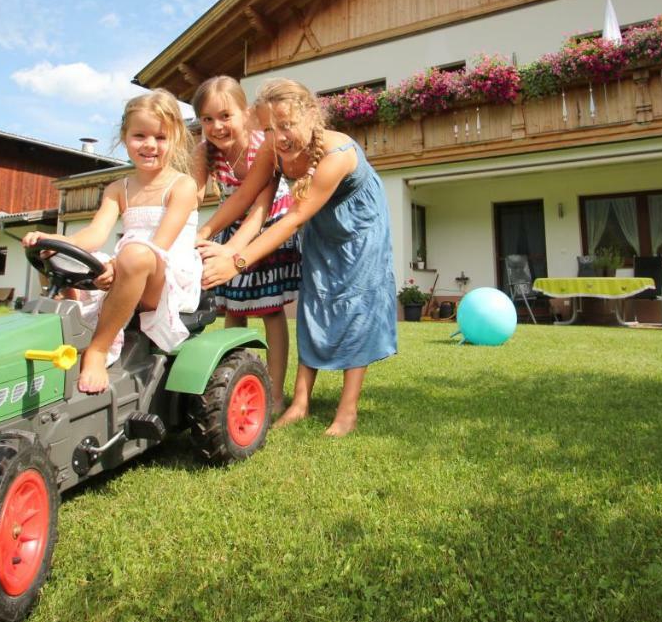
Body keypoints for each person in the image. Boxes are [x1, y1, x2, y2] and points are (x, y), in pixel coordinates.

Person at [199, 78, 396, 437]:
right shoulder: (273, 149)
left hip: (360, 228)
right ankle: (300, 401)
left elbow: (292, 218)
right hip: (320, 223)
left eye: (287, 125)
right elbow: (245, 198)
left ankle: (347, 410)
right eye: (271, 129)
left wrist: (238, 262)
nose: (280, 136)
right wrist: (206, 235)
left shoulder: (337, 155)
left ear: (310, 116)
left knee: (356, 307)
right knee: (314, 303)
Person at [23, 90, 201, 394]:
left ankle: (98, 349)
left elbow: (160, 244)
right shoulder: (119, 187)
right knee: (52, 254)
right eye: (140, 135)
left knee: (135, 254)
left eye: (160, 137)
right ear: (125, 136)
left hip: (166, 278)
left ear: (176, 138)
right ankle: (67, 330)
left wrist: (119, 265)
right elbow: (94, 234)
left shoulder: (182, 185)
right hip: (128, 266)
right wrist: (54, 239)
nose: (149, 145)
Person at [191, 76, 302, 418]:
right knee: (234, 309)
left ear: (247, 113)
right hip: (233, 224)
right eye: (207, 119)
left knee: (270, 311)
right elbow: (191, 199)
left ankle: (275, 393)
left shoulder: (263, 146)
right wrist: (187, 236)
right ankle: (230, 385)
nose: (216, 126)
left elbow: (256, 207)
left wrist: (231, 253)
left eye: (225, 116)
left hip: (268, 224)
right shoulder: (204, 152)